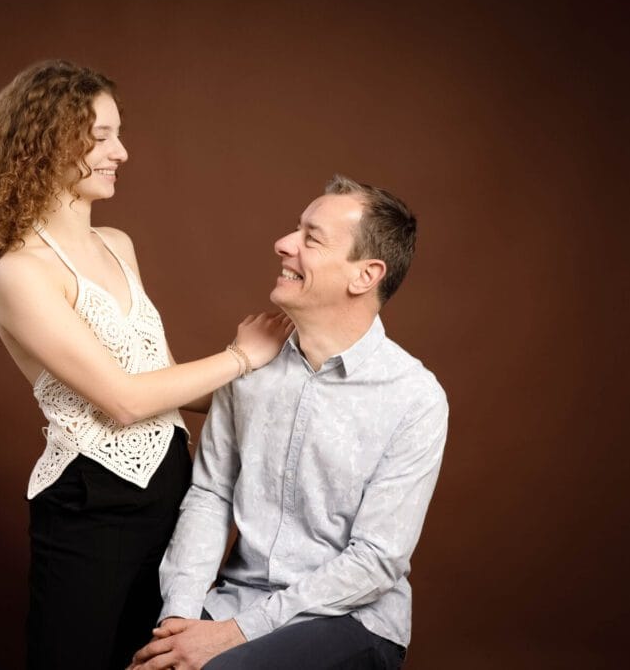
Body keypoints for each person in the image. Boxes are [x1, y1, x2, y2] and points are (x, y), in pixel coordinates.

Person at [0, 60, 292, 670]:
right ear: (50, 140)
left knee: (158, 663)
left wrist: (284, 392)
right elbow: (125, 398)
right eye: (102, 136)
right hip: (90, 503)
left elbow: (160, 382)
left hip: (172, 488)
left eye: (119, 133)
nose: (123, 152)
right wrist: (242, 356)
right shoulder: (21, 272)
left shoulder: (118, 243)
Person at [130, 175, 448, 670]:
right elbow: (211, 495)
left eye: (310, 238)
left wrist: (232, 635)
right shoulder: (250, 368)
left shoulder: (415, 398)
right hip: (234, 600)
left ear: (365, 275)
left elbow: (375, 561)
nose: (283, 244)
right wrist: (179, 619)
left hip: (349, 619)